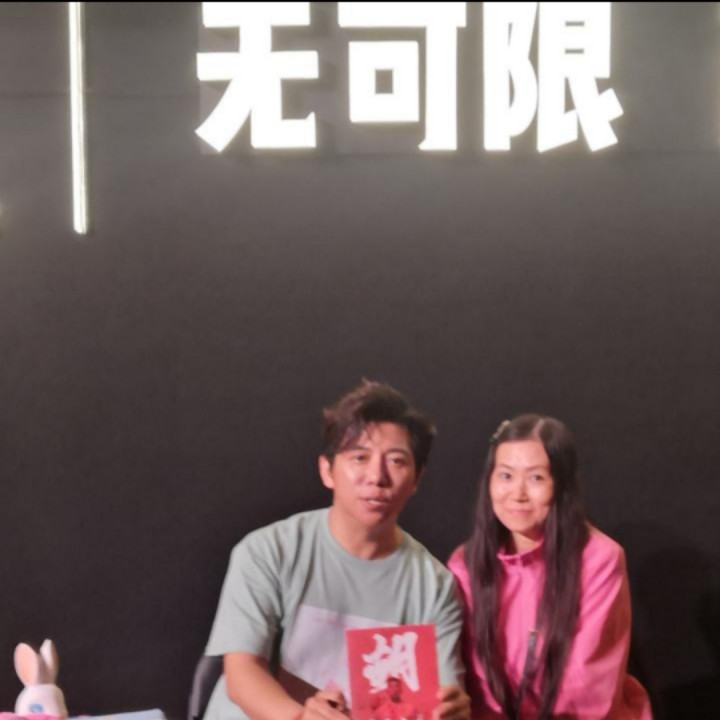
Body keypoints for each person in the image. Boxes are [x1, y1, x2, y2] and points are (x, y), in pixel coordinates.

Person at [203, 380, 471, 720]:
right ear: (327, 471)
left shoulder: (435, 586)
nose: (376, 476)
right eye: (360, 457)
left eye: (396, 461)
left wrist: (450, 710)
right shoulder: (267, 551)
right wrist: (302, 718)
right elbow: (242, 675)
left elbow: (441, 695)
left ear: (417, 479)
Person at [448, 415, 652, 720]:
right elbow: (471, 678)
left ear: (561, 485)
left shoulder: (599, 560)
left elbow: (587, 686)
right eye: (505, 476)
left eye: (536, 478)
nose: (517, 494)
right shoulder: (465, 564)